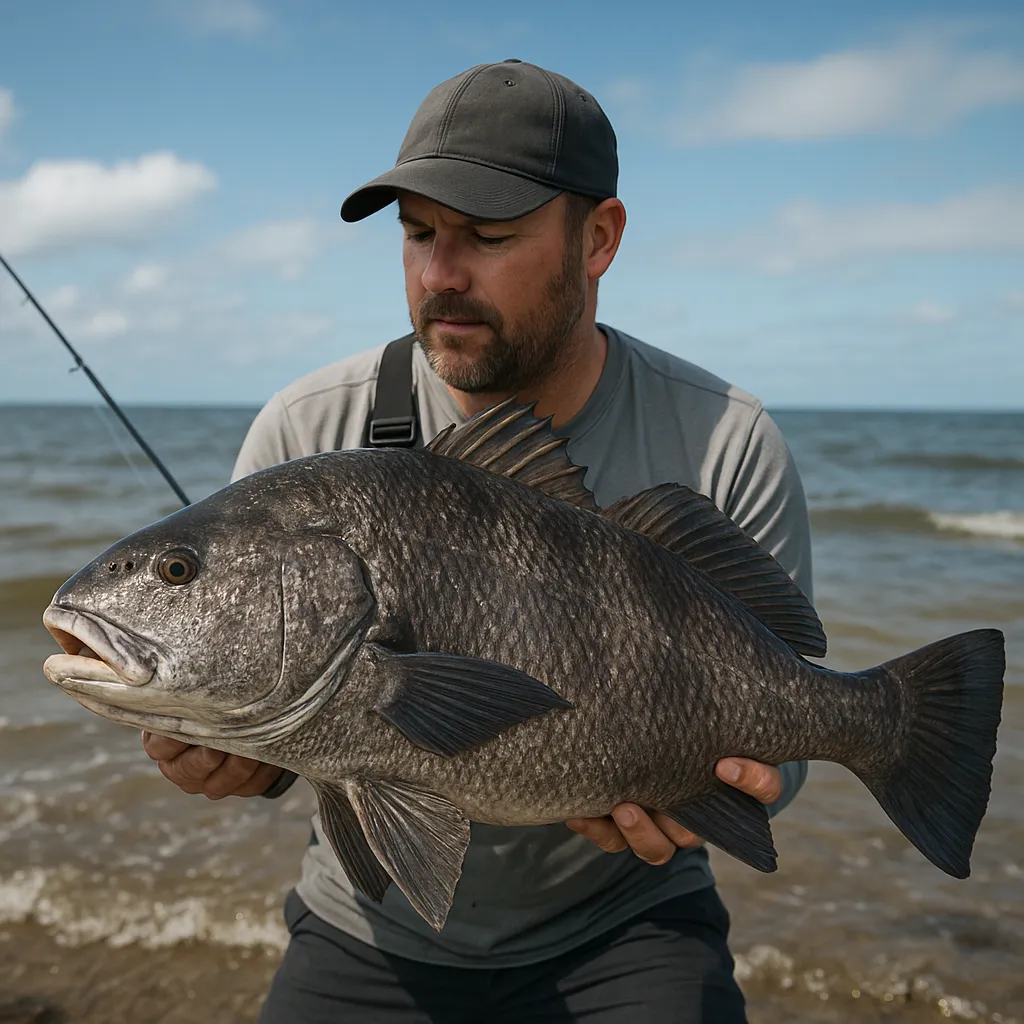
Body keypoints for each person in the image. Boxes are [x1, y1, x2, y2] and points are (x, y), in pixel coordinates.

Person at [141, 60, 814, 1023]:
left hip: (626, 920)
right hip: (369, 925)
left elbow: (782, 709)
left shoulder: (727, 438)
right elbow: (310, 719)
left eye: (487, 236)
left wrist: (759, 782)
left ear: (600, 238)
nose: (439, 275)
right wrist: (238, 761)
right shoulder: (303, 434)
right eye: (417, 234)